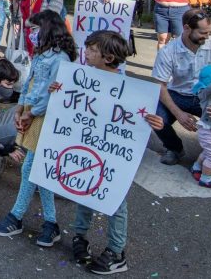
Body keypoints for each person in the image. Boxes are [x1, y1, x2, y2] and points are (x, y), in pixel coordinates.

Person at [68, 30, 163, 274]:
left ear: (108, 58)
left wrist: (155, 121)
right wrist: (59, 90)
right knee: (83, 191)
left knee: (116, 201)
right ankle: (80, 236)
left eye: (91, 49)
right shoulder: (80, 78)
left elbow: (144, 117)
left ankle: (117, 251)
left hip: (115, 155)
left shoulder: (130, 89)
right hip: (88, 146)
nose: (85, 52)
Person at [0, 10, 76, 247]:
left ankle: (16, 216)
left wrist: (31, 113)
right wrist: (20, 109)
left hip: (45, 116)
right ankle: (50, 223)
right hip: (31, 111)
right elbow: (30, 83)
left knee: (32, 166)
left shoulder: (60, 59)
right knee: (39, 168)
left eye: (35, 30)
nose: (31, 34)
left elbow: (53, 93)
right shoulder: (41, 55)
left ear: (47, 29)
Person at [151, 8, 211, 165]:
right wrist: (179, 114)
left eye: (209, 32)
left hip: (208, 95)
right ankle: (174, 148)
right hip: (178, 94)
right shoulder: (168, 51)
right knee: (156, 117)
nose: (207, 37)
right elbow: (160, 85)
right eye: (202, 33)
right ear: (186, 28)